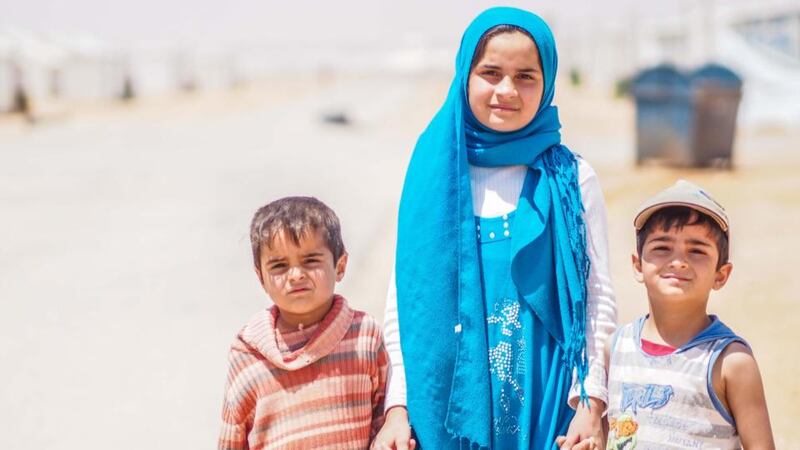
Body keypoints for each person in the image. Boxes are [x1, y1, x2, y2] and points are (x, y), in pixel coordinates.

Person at [373, 7, 617, 450]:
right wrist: (397, 409)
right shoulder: (436, 178)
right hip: (450, 408)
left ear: (547, 84)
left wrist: (591, 404)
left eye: (526, 75)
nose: (507, 90)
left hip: (551, 409)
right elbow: (405, 308)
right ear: (465, 75)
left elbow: (597, 299)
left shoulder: (571, 179)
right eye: (491, 72)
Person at [605, 180, 775, 449]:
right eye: (662, 247)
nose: (678, 261)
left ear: (721, 275)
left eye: (697, 251)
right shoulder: (614, 349)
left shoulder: (731, 361)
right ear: (637, 265)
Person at [218, 197, 389, 449]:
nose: (296, 275)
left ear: (340, 266)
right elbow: (232, 437)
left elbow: (385, 417)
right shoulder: (248, 354)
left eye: (310, 261)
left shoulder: (364, 336)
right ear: (260, 277)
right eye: (279, 265)